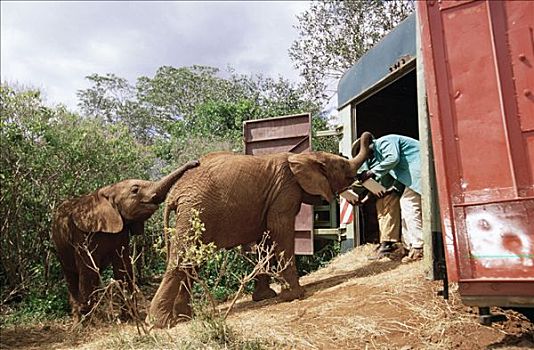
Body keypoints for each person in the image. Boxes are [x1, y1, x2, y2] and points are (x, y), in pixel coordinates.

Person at [351, 133, 423, 263]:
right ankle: (409, 248)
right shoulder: (379, 157)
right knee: (406, 205)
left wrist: (371, 172)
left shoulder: (385, 142)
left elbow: (393, 159)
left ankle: (418, 247)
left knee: (409, 205)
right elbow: (384, 179)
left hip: (419, 170)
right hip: (413, 175)